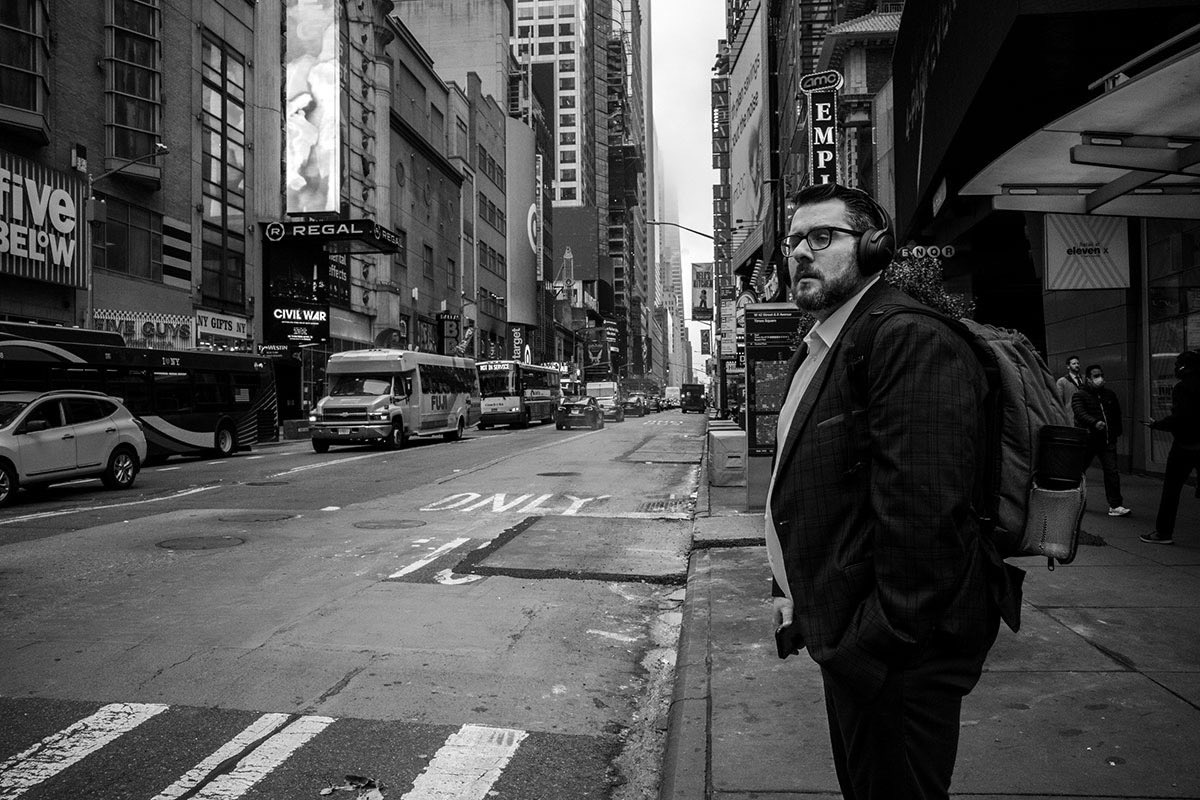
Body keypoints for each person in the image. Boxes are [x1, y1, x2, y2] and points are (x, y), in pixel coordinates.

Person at [765, 183, 1017, 800]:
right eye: (793, 240)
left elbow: (926, 513)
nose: (800, 252)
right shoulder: (826, 345)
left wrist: (873, 643)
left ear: (875, 247)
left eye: (822, 238)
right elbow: (813, 483)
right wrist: (789, 591)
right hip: (849, 638)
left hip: (896, 657)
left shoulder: (906, 339)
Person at [1141, 350, 1200, 544]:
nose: (1175, 368)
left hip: (1185, 446)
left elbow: (1181, 418)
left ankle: (1163, 532)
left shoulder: (1182, 388)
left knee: (1171, 491)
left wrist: (1157, 424)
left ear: (1184, 367)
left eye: (1177, 365)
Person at [1071, 364, 1131, 516]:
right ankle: (1074, 500)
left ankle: (1115, 505)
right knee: (1078, 471)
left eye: (1101, 375)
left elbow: (1116, 415)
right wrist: (1094, 422)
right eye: (1095, 376)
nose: (1100, 379)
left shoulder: (1109, 395)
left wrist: (1116, 433)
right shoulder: (1080, 395)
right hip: (1089, 440)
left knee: (1112, 472)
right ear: (1088, 379)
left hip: (1107, 440)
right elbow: (1079, 413)